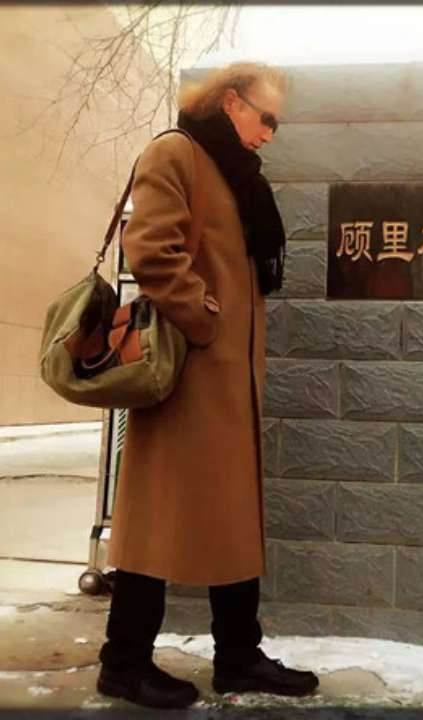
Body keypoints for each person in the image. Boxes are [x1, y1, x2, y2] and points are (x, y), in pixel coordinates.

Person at [96, 62, 319, 709]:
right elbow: (151, 249)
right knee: (158, 518)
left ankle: (238, 656)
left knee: (232, 521)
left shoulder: (237, 174)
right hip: (185, 375)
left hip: (228, 380)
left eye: (277, 123)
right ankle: (123, 661)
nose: (270, 133)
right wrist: (205, 319)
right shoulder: (178, 153)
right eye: (265, 117)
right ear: (230, 101)